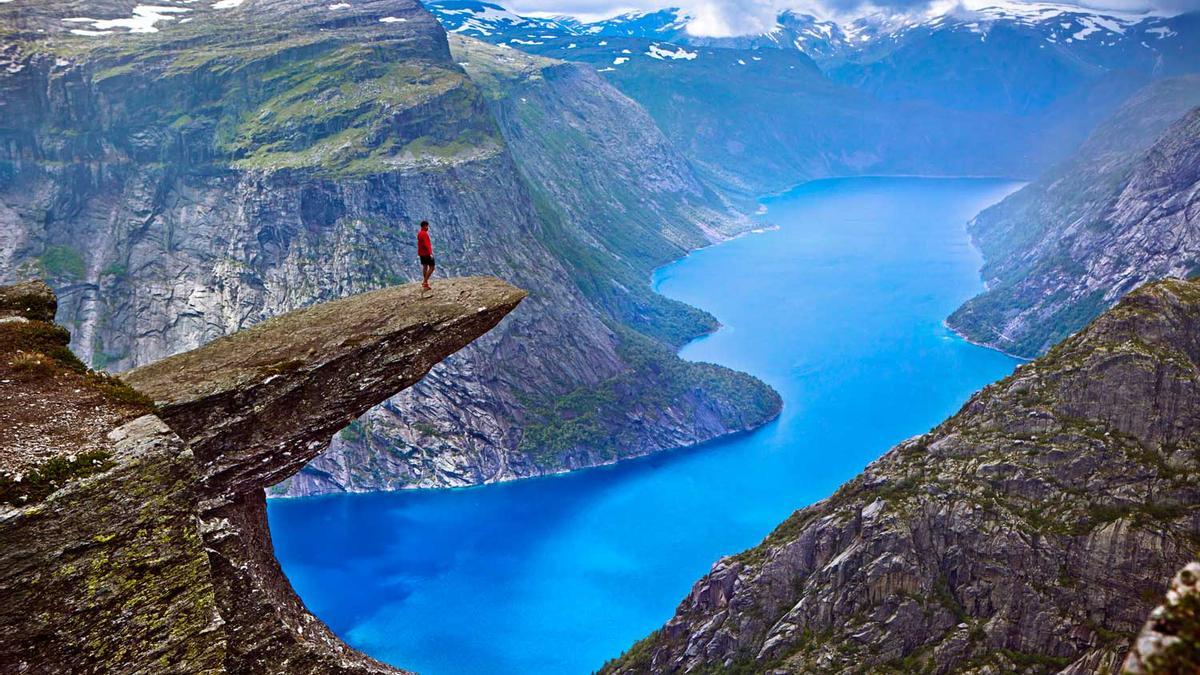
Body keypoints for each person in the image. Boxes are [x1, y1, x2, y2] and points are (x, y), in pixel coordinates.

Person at [417, 220, 435, 290]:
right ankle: (424, 282)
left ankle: (426, 283)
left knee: (425, 267)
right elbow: (426, 245)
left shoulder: (419, 233)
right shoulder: (424, 234)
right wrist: (430, 253)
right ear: (424, 226)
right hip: (426, 253)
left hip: (421, 253)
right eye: (427, 226)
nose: (428, 228)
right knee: (432, 267)